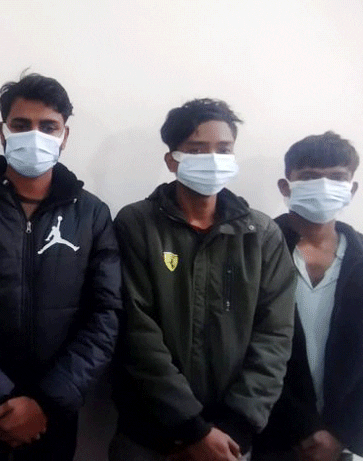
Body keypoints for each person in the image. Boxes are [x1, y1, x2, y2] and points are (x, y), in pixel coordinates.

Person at [0, 73, 121, 461]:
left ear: (65, 135)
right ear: (3, 132)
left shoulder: (92, 215)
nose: (34, 136)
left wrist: (47, 401)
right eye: (21, 125)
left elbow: (105, 314)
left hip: (55, 413)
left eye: (48, 127)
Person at [110, 98, 296, 461]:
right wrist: (192, 429)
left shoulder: (261, 235)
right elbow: (136, 331)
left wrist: (236, 426)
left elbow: (275, 335)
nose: (213, 160)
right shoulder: (137, 224)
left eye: (223, 150)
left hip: (230, 439)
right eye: (197, 150)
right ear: (172, 160)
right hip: (149, 433)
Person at [252, 132, 363, 461]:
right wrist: (302, 428)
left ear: (352, 188)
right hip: (264, 433)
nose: (324, 186)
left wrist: (343, 435)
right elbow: (241, 348)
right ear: (285, 186)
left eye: (337, 177)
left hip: (336, 441)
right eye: (309, 177)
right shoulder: (252, 252)